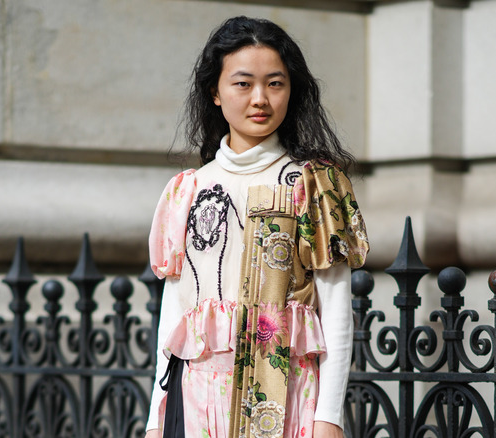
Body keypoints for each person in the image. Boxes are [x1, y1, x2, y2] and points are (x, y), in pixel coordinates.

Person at [145, 16, 369, 438]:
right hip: (196, 403)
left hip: (288, 402)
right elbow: (173, 313)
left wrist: (329, 417)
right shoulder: (187, 191)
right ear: (215, 92)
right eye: (243, 84)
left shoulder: (313, 185)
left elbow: (337, 309)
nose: (260, 99)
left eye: (275, 83)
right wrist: (156, 421)